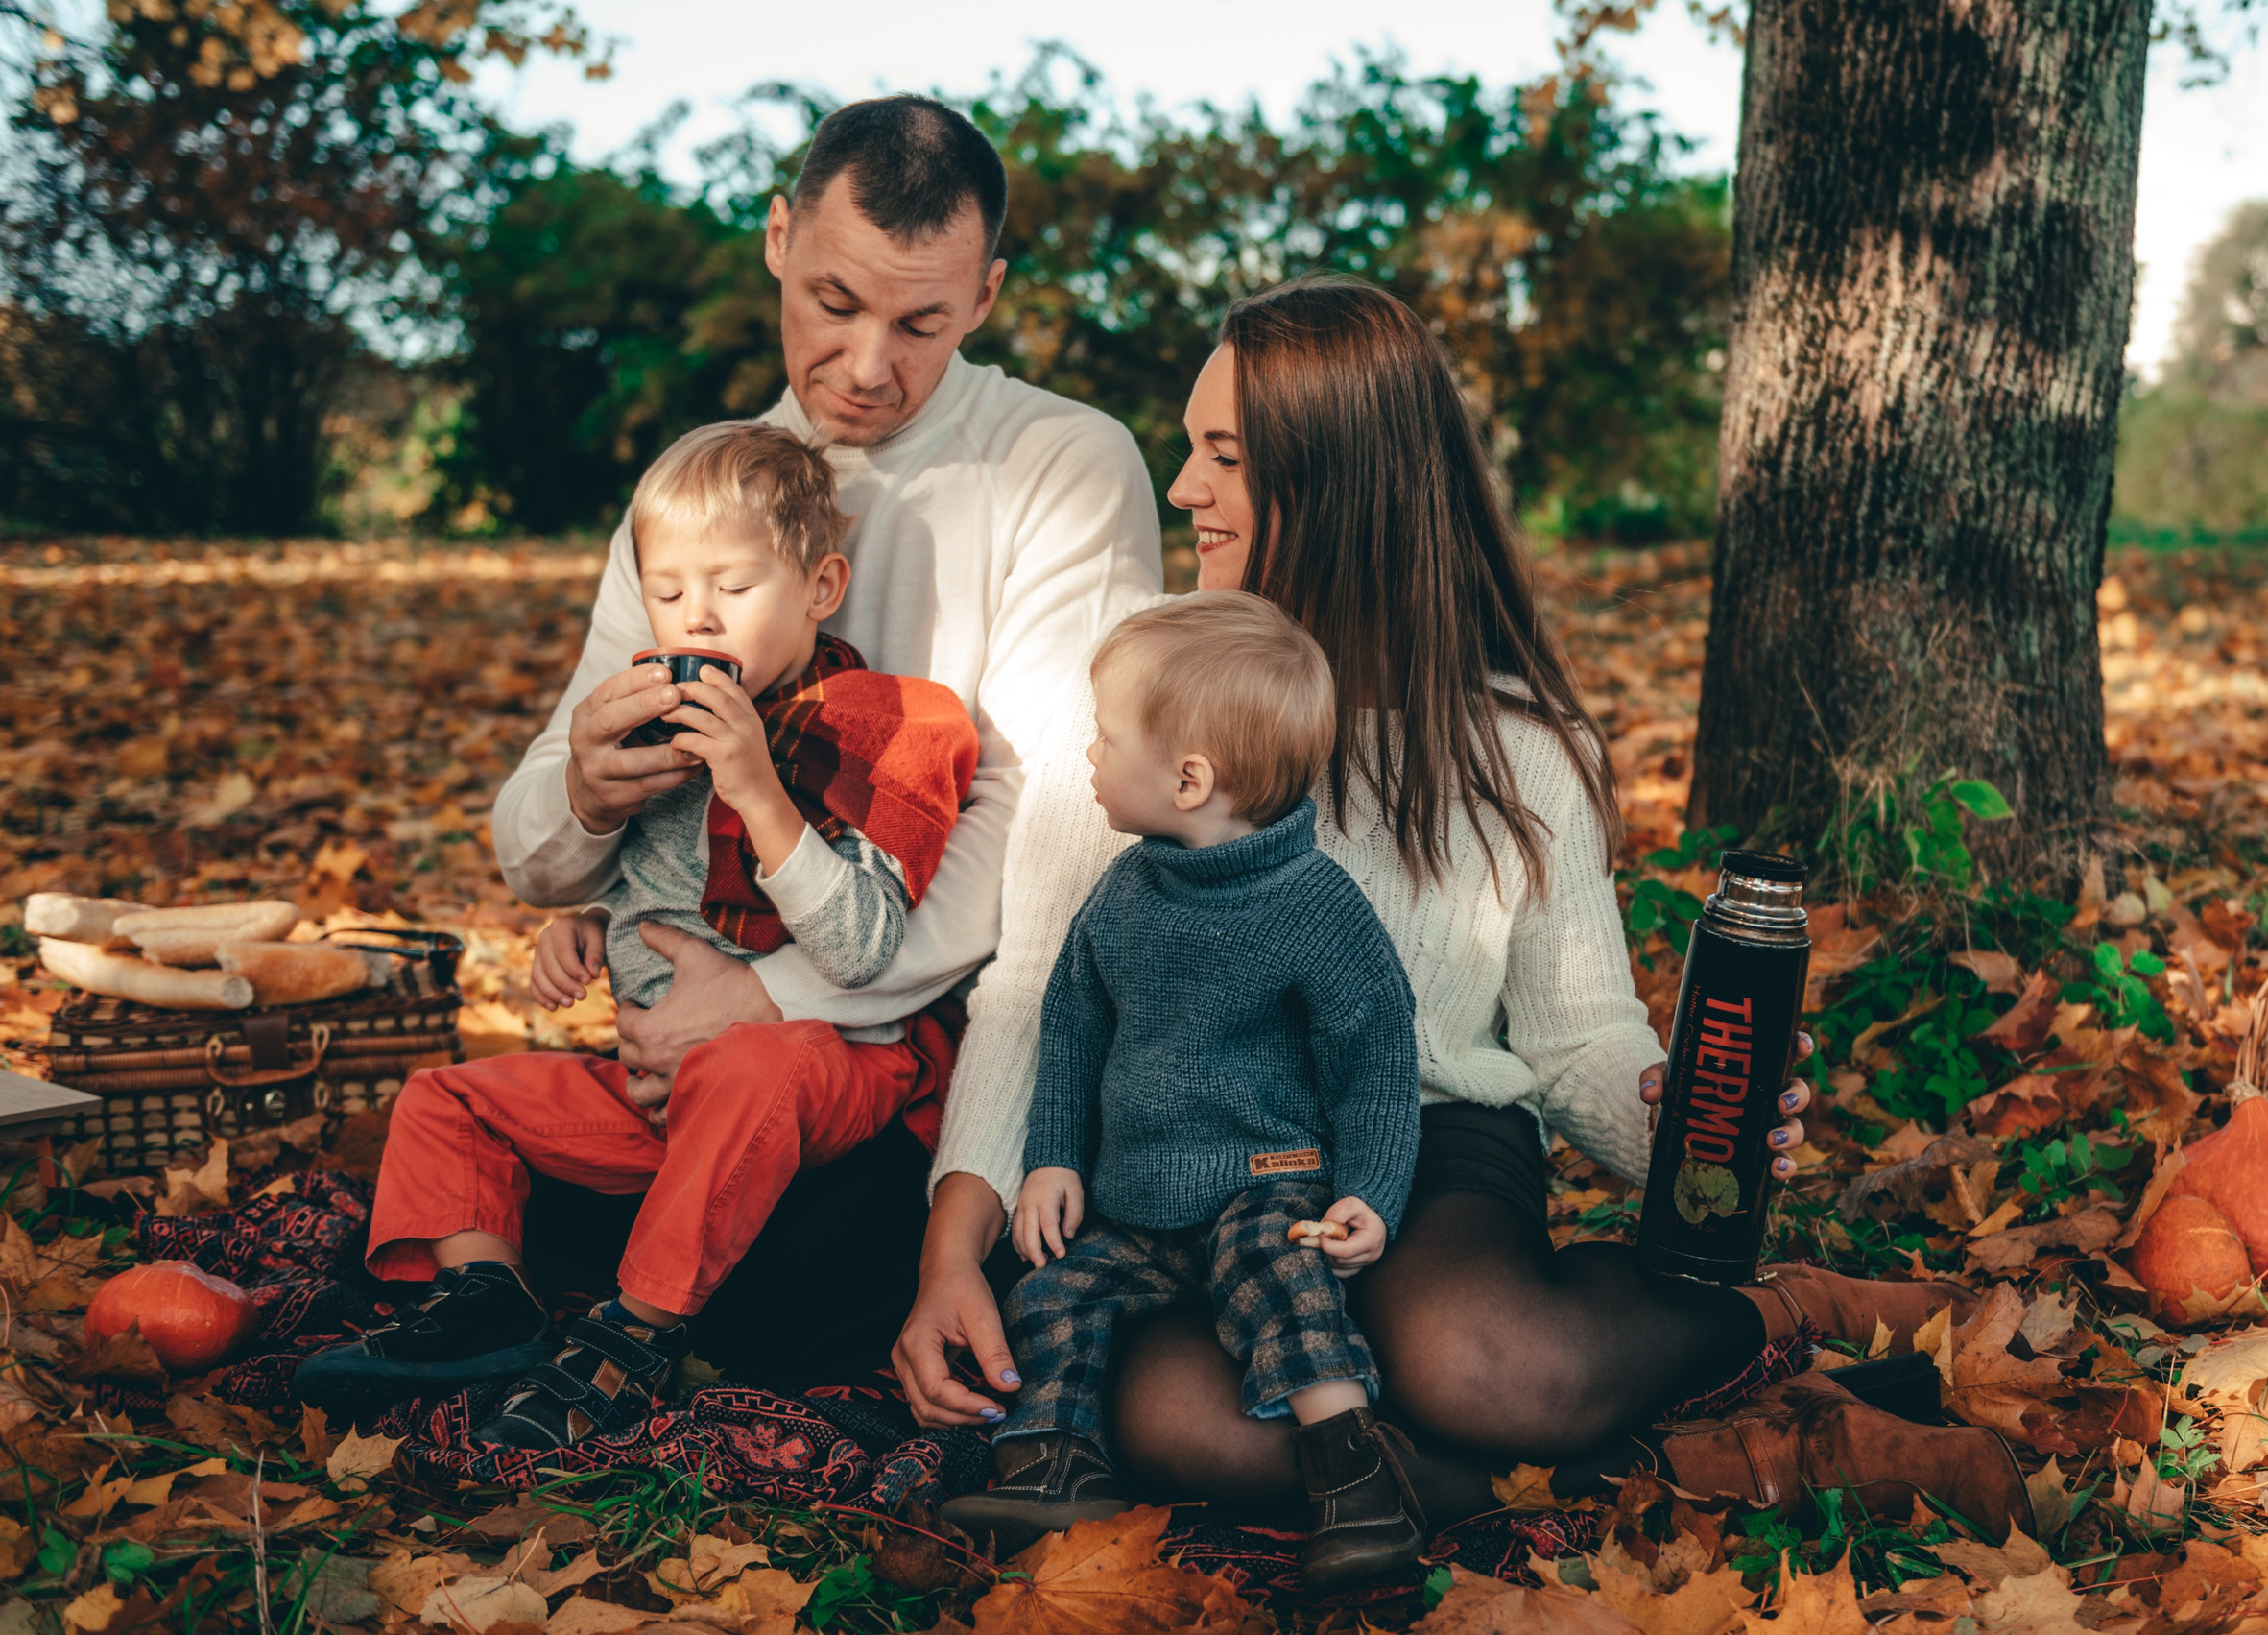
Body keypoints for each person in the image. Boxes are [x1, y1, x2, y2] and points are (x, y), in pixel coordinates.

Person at [898, 277, 2033, 1545]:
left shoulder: (1513, 748)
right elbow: (1039, 985)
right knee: (1172, 1417)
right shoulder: (1140, 706)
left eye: (1221, 456)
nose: (1181, 489)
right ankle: (1725, 1450)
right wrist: (958, 1245)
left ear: (1334, 480)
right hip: (1204, 1175)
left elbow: (1578, 1035)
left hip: (1431, 1149)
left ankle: (1784, 1313)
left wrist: (1677, 1120)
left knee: (1483, 1362)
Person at [482, 94, 1162, 1368]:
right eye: (834, 303)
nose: (865, 365)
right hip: (692, 1055)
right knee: (496, 1150)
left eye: (922, 323)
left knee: (788, 1292)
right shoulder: (705, 481)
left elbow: (1040, 835)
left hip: (944, 1053)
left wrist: (765, 1000)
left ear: (987, 296)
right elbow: (539, 846)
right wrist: (582, 789)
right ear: (780, 239)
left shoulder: (1065, 463)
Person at [298, 421, 980, 1446]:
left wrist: (757, 788)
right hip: (657, 1089)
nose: (694, 616)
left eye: (734, 588)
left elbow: (863, 946)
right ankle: (488, 1300)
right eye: (667, 591)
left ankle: (636, 1332)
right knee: (447, 1097)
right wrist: (585, 924)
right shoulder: (653, 724)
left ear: (821, 585)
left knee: (758, 1067)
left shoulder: (891, 724)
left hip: (821, 1066)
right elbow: (649, 881)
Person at [941, 596, 1423, 1592]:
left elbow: (1375, 1058)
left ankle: (1353, 1474)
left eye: (1107, 736)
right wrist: (1052, 1156)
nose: (1090, 752)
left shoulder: (1317, 907)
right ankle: (1052, 1459)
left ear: (1190, 778)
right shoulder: (1125, 891)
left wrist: (1370, 1191)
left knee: (1279, 1279)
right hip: (1138, 1202)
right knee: (1054, 1292)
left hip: (1270, 1181)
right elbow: (1071, 1026)